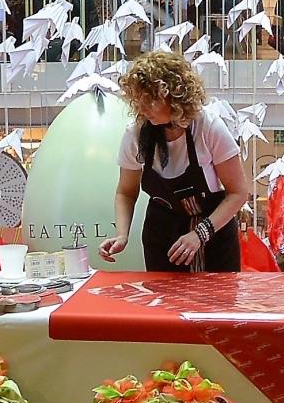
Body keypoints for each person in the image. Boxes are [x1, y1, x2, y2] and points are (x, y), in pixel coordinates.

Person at [100, 51, 249, 272]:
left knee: (217, 294)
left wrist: (200, 233)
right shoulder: (136, 134)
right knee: (163, 295)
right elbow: (126, 192)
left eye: (150, 100)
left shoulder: (208, 127)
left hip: (214, 234)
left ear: (174, 95)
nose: (142, 108)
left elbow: (238, 193)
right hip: (162, 236)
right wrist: (122, 234)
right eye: (138, 100)